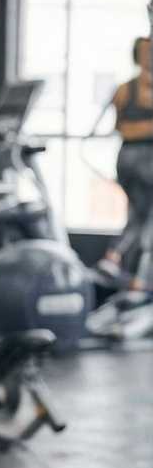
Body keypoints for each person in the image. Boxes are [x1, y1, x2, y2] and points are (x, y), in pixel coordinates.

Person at [99, 37, 153, 290]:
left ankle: (117, 259)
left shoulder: (126, 88)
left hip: (127, 158)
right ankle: (139, 278)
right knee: (146, 217)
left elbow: (122, 128)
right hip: (141, 160)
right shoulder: (129, 90)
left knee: (138, 215)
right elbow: (123, 128)